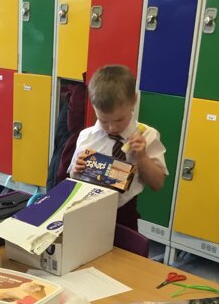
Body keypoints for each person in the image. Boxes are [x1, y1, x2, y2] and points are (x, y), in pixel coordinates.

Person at [69, 64, 168, 230]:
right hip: (87, 212)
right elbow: (73, 178)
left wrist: (142, 156)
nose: (112, 128)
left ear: (134, 101)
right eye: (104, 121)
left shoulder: (147, 135)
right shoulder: (86, 137)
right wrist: (76, 171)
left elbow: (157, 184)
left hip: (124, 216)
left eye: (119, 120)